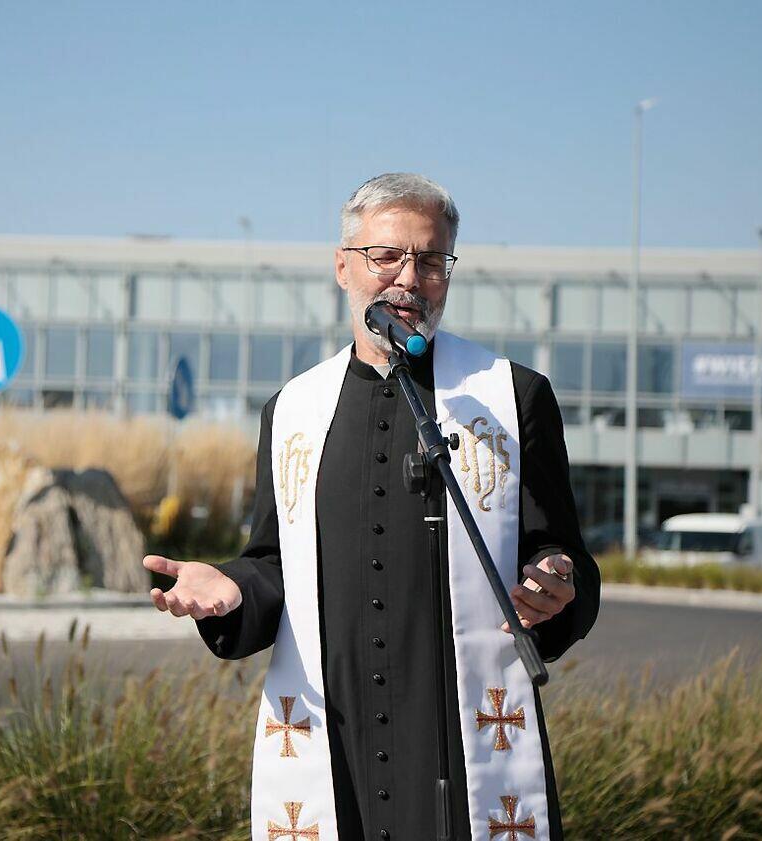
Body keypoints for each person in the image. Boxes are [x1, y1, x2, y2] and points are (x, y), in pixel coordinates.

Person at [143, 173, 600, 841]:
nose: (409, 279)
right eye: (386, 256)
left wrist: (556, 581)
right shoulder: (292, 411)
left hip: (459, 741)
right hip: (336, 741)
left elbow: (560, 553)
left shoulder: (510, 398)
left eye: (431, 261)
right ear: (342, 267)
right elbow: (273, 564)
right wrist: (232, 590)